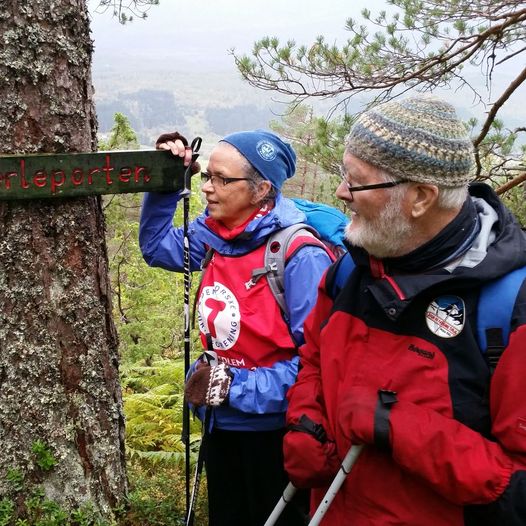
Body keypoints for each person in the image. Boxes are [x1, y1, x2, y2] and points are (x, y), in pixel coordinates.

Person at [283, 95, 526, 525]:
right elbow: (314, 360)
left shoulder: (509, 304)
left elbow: (518, 487)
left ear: (419, 197)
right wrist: (306, 420)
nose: (341, 192)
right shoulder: (350, 271)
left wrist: (402, 429)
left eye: (355, 181)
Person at [139, 129, 333, 526]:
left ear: (262, 189)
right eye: (206, 175)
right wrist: (168, 180)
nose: (208, 187)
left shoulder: (299, 256)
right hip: (220, 423)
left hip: (277, 435)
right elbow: (157, 247)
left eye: (221, 179)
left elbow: (321, 364)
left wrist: (233, 387)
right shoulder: (213, 235)